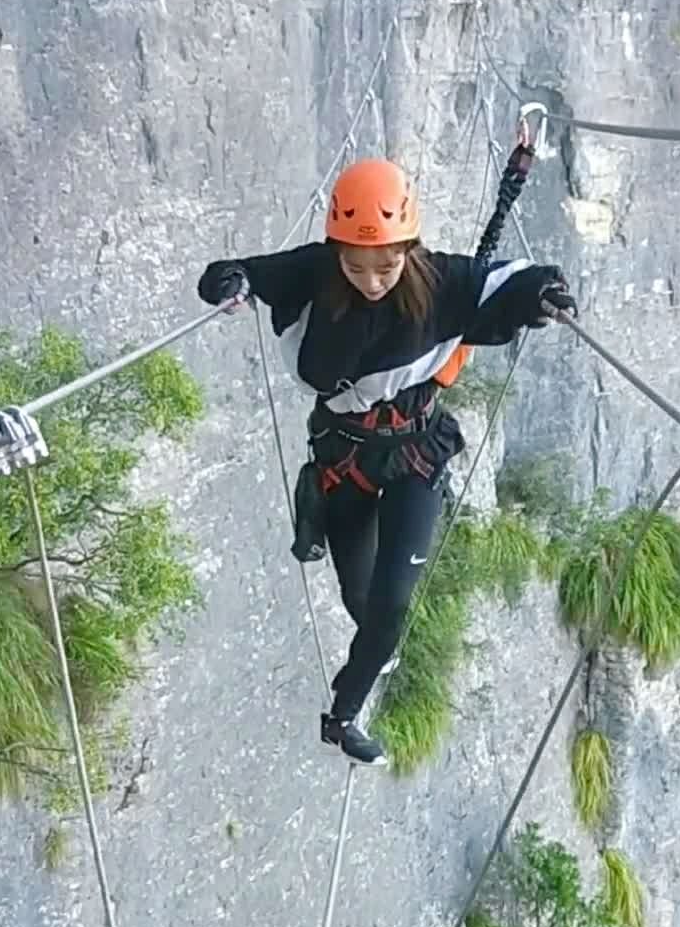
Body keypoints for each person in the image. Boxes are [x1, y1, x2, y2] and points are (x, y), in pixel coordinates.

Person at [198, 158, 577, 766]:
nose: (372, 280)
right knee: (360, 599)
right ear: (335, 250)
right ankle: (314, 502)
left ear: (411, 248)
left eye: (387, 263)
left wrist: (545, 295)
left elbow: (509, 283)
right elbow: (238, 271)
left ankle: (341, 716)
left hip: (416, 454)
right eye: (355, 265)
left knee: (390, 608)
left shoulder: (443, 282)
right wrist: (229, 286)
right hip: (344, 459)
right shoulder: (313, 273)